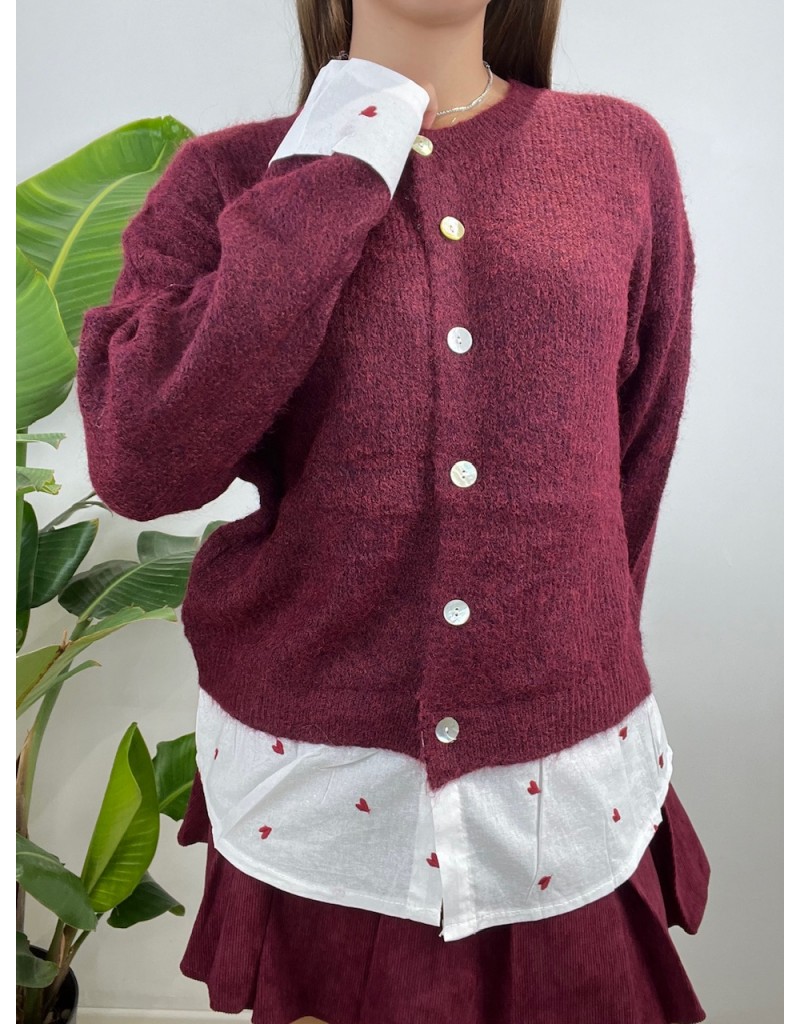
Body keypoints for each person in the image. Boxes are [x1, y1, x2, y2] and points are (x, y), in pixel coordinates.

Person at [75, 1, 712, 1022]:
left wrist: (568, 669)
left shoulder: (618, 155)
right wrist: (341, 155)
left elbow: (632, 461)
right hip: (324, 797)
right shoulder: (229, 178)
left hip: (562, 792)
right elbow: (141, 459)